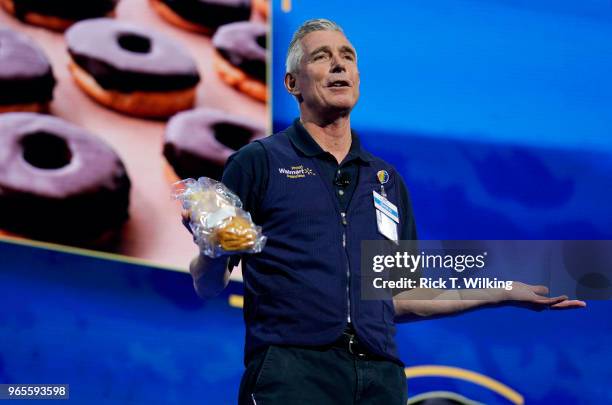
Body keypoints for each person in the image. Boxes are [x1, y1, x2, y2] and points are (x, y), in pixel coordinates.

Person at [183, 19, 586, 405]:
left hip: (381, 380)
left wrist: (502, 293)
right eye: (321, 57)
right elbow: (208, 284)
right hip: (293, 373)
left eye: (348, 55)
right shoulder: (259, 162)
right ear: (293, 84)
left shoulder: (385, 180)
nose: (339, 64)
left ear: (358, 77)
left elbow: (398, 297)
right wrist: (212, 249)